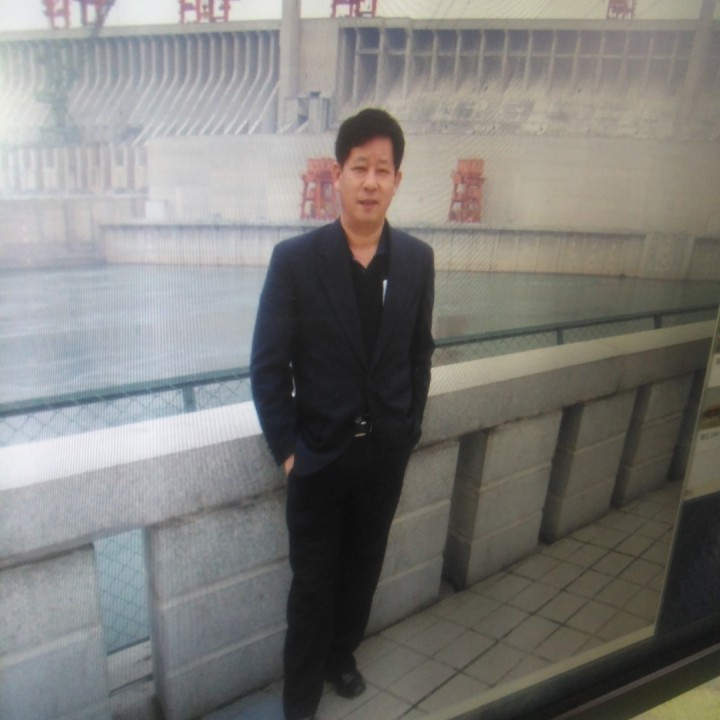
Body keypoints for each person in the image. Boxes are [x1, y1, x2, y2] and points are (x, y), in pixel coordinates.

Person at [250, 107, 435, 720]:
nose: (370, 181)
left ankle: (342, 658)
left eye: (383, 170)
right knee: (312, 585)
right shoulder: (295, 261)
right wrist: (288, 451)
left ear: (397, 180)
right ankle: (300, 698)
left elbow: (419, 352)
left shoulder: (416, 260)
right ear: (338, 175)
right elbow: (268, 366)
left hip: (382, 456)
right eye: (360, 167)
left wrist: (408, 430)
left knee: (362, 571)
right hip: (318, 457)